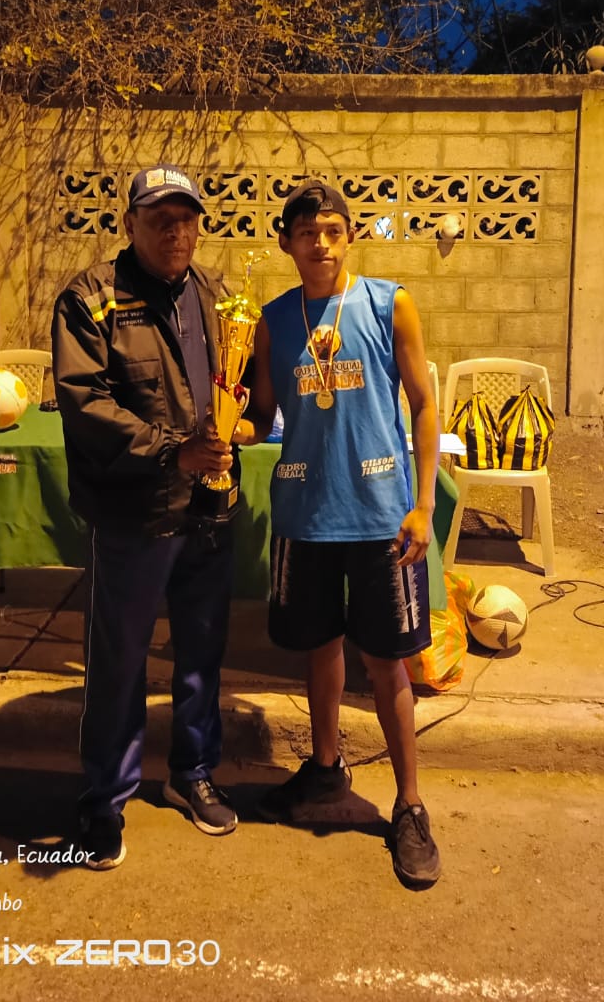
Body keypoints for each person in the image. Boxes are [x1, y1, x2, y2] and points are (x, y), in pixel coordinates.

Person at [235, 179, 442, 887]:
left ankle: (409, 805)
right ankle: (325, 767)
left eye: (331, 230)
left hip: (381, 515)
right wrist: (229, 426)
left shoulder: (389, 303)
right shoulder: (271, 320)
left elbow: (423, 403)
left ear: (349, 236)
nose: (320, 244)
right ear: (286, 243)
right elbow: (263, 415)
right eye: (306, 233)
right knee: (319, 648)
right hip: (305, 513)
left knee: (386, 663)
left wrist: (423, 504)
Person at [52, 163, 240, 870]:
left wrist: (243, 423)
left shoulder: (216, 296)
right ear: (129, 224)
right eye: (160, 219)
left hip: (209, 507)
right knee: (120, 662)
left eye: (187, 218)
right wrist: (173, 451)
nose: (176, 232)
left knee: (202, 654)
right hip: (135, 513)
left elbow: (234, 386)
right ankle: (104, 800)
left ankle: (192, 772)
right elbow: (86, 404)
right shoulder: (92, 299)